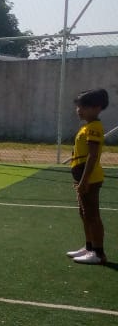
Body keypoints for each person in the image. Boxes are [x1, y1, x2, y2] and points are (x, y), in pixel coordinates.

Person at [67, 87, 109, 265]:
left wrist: (84, 180)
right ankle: (89, 247)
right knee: (84, 214)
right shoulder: (87, 127)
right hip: (82, 179)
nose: (79, 110)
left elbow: (92, 156)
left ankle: (98, 254)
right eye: (78, 106)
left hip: (90, 179)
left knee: (92, 215)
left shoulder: (94, 128)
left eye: (83, 106)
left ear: (96, 108)